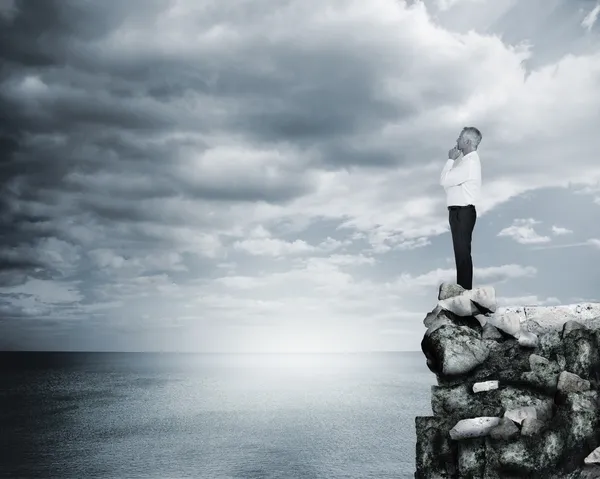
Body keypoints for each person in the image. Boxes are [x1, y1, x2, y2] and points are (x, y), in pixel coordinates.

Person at [439, 127, 482, 290]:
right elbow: (448, 185)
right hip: (458, 211)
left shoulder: (469, 163)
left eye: (459, 138)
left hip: (463, 212)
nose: (456, 141)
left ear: (467, 142)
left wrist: (450, 160)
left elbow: (444, 181)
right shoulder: (465, 162)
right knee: (460, 253)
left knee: (462, 253)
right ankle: (463, 289)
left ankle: (465, 291)